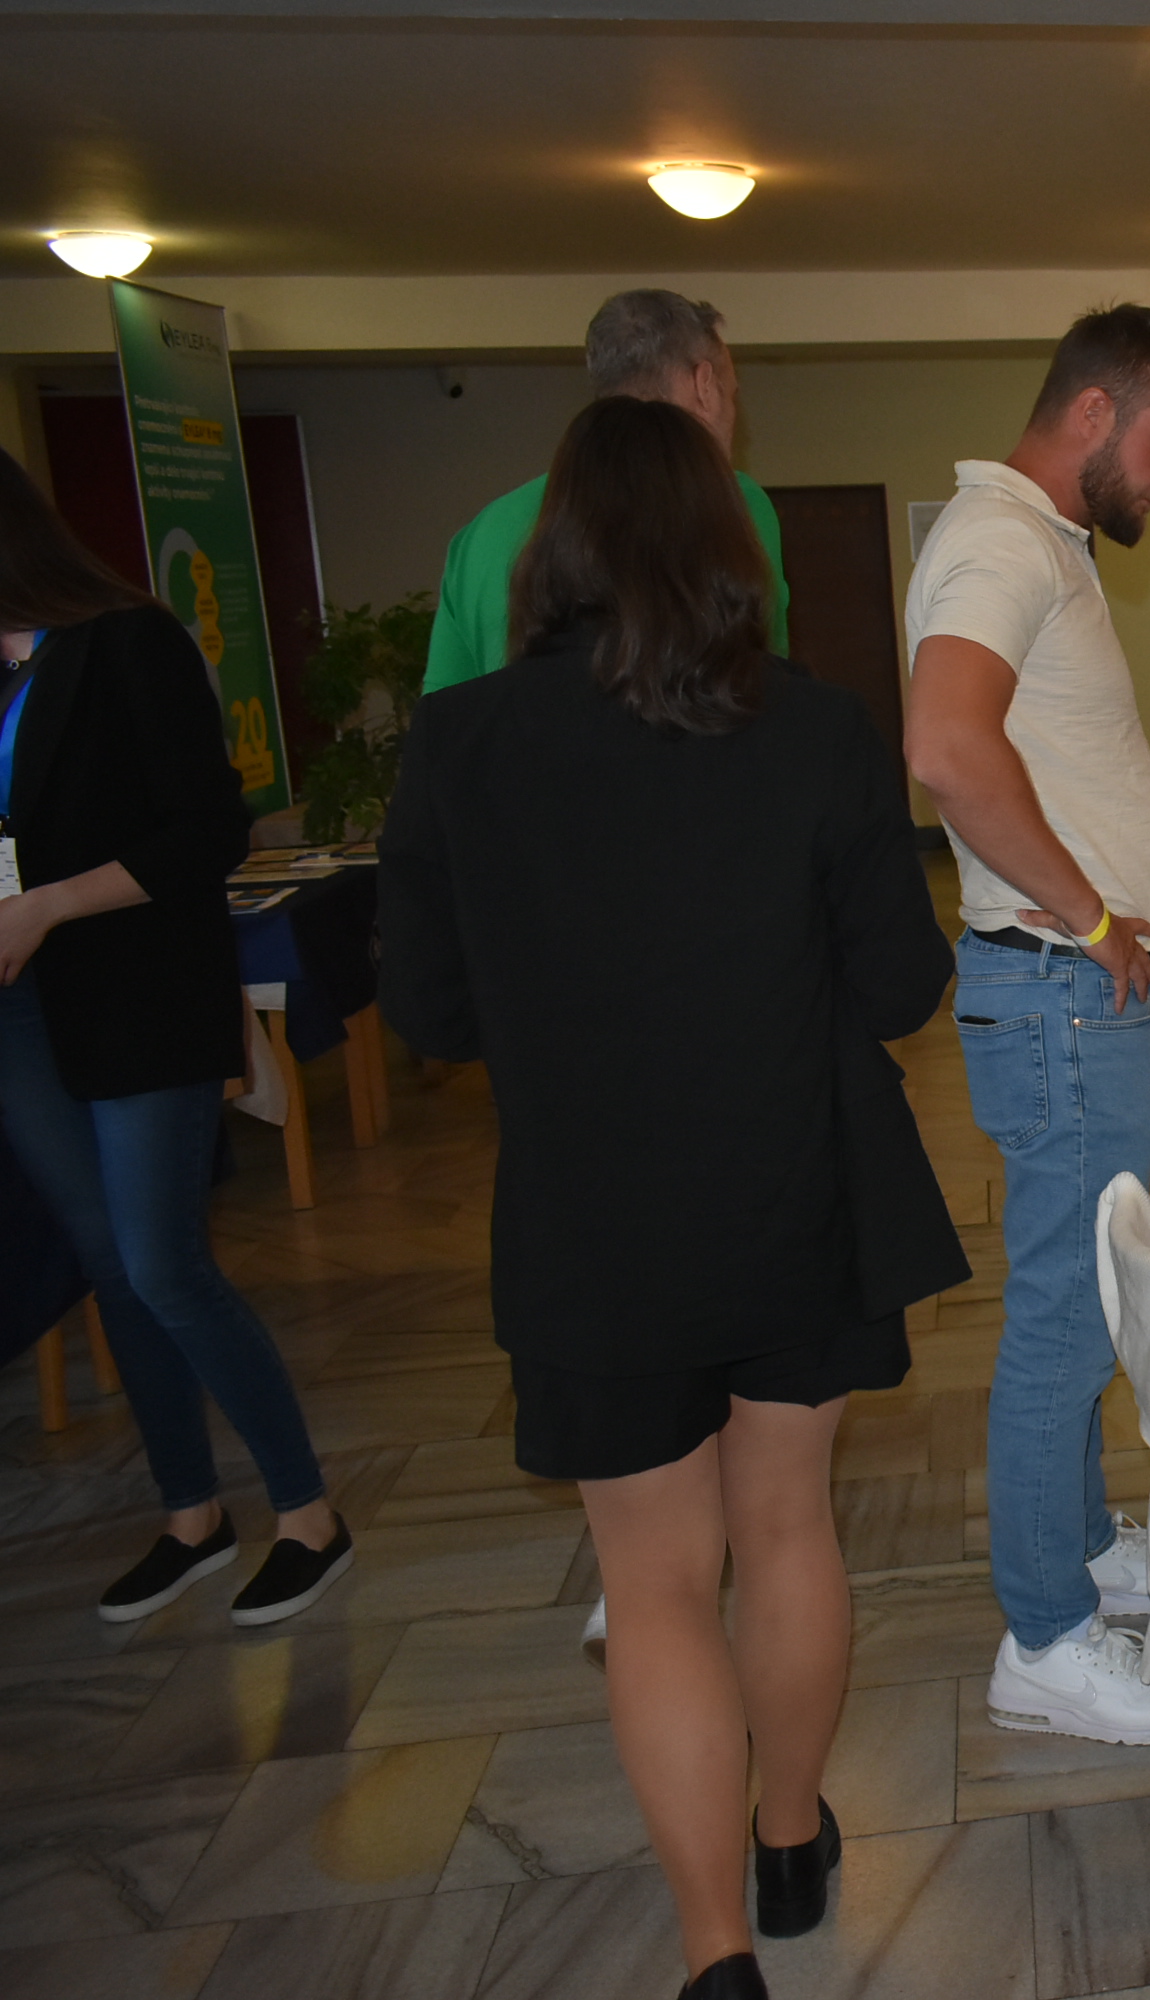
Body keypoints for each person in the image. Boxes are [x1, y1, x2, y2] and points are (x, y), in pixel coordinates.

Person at [379, 397, 960, 2000]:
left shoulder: (464, 741)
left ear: (550, 549)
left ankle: (716, 1954)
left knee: (652, 1584)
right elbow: (901, 985)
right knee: (785, 1527)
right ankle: (791, 1839)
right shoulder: (818, 729)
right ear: (727, 548)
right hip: (799, 1192)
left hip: (593, 1217)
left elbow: (429, 1012)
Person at [903, 303, 1150, 1748]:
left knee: (1087, 1301)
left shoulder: (1044, 545)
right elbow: (944, 746)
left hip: (1079, 996)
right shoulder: (1001, 540)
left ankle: (1080, 1543)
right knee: (1059, 1320)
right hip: (1062, 990)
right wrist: (1096, 923)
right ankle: (1042, 1637)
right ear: (1092, 412)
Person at [0, 448, 349, 1629]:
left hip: (136, 988)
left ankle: (308, 1513)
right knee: (108, 1262)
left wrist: (48, 905)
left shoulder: (124, 640)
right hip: (23, 1006)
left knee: (162, 1262)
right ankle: (190, 1514)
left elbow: (207, 828)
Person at [421, 288, 790, 694]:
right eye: (731, 394)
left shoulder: (483, 533)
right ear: (704, 385)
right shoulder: (734, 502)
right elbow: (764, 688)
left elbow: (444, 711)